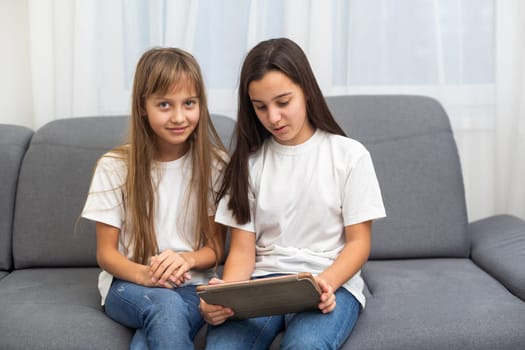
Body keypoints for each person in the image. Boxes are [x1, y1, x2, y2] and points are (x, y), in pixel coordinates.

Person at [199, 37, 386, 350]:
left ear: (307, 92)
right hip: (262, 284)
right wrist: (225, 297)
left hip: (327, 282)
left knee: (305, 346)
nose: (273, 117)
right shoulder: (248, 164)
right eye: (261, 107)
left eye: (283, 102)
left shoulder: (349, 155)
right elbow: (243, 252)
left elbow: (359, 243)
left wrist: (325, 284)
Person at [81, 47, 228, 349]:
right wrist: (146, 275)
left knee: (147, 340)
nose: (179, 117)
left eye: (189, 103)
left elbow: (216, 247)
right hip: (128, 284)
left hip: (192, 285)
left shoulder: (216, 165)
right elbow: (106, 254)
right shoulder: (114, 166)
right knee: (163, 305)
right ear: (142, 107)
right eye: (164, 104)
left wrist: (186, 259)